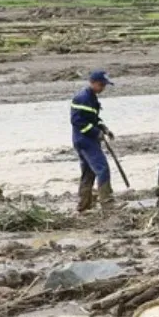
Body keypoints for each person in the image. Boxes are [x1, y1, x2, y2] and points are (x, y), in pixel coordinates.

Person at [70, 70, 115, 212]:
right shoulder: (82, 98)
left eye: (104, 85)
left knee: (88, 172)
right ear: (93, 83)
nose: (103, 88)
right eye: (101, 85)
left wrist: (104, 128)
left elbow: (93, 119)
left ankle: (84, 204)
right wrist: (96, 133)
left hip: (85, 140)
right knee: (102, 169)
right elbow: (77, 121)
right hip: (85, 140)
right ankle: (107, 203)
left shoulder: (92, 98)